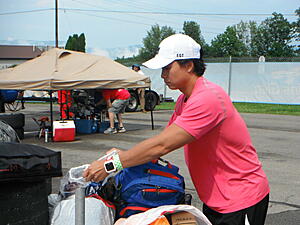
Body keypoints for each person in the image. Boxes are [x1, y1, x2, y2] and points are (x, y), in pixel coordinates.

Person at [84, 34, 270, 225]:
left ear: (188, 65)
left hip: (240, 198)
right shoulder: (185, 99)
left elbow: (161, 146)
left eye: (167, 68)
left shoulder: (207, 98)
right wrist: (125, 155)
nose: (163, 75)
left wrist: (113, 164)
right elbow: (163, 140)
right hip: (217, 197)